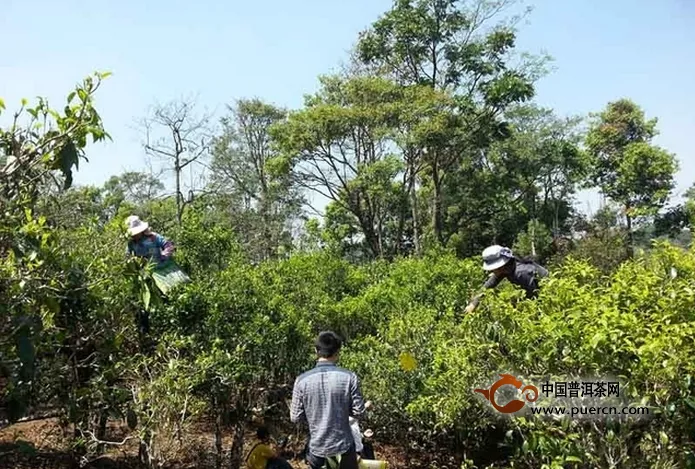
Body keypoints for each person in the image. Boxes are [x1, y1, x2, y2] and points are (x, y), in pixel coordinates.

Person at [290, 331, 365, 469]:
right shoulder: (350, 377)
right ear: (337, 352)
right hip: (344, 449)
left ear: (316, 351)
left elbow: (295, 417)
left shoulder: (301, 380)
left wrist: (314, 415)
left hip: (317, 449)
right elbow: (359, 412)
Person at [465, 245, 548, 314]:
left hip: (546, 294)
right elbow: (487, 287)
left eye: (493, 268)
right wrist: (473, 304)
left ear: (501, 267)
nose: (491, 271)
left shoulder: (521, 273)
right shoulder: (506, 269)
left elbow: (534, 298)